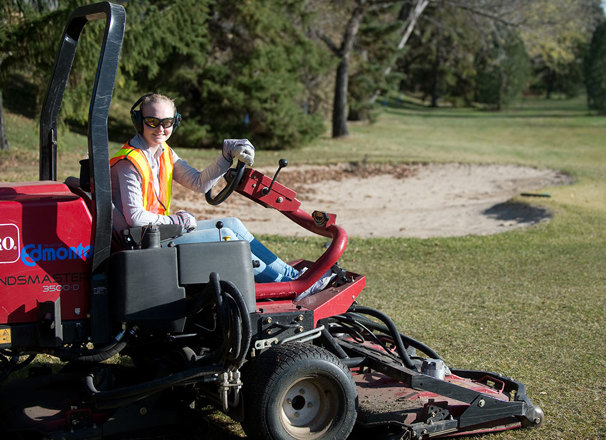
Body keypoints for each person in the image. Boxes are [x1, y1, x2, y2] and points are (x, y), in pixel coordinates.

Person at [110, 93, 334, 297]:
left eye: (167, 123)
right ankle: (290, 289)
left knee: (233, 224)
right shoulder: (130, 162)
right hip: (143, 243)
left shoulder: (163, 152)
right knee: (225, 235)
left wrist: (226, 155)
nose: (161, 129)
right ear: (139, 121)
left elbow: (198, 183)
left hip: (157, 234)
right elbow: (135, 218)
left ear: (174, 122)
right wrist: (176, 221)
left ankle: (294, 279)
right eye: (153, 122)